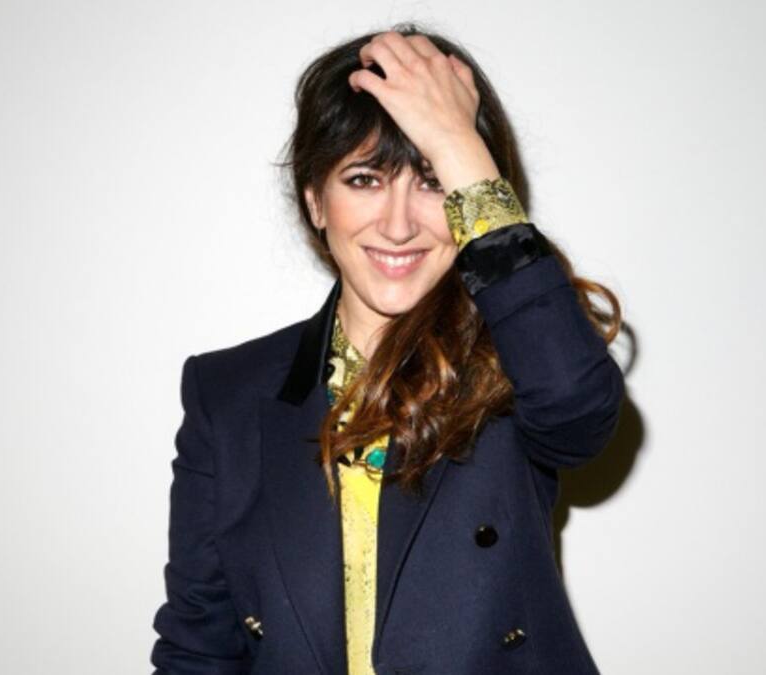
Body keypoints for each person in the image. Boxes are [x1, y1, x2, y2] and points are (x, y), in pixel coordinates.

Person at [150, 23, 626, 675]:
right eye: (365, 179)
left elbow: (579, 414)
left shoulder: (514, 363)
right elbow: (199, 648)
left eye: (432, 181)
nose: (398, 225)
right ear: (316, 200)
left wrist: (458, 142)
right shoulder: (228, 392)